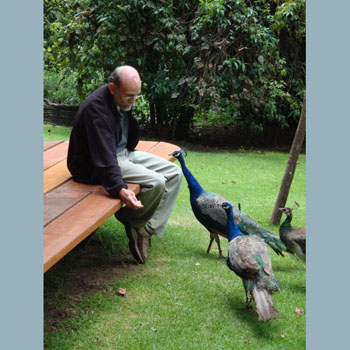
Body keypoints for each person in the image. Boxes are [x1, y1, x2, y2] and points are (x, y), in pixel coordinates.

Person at [67, 65, 183, 264]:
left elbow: (127, 138)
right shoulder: (97, 111)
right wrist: (120, 189)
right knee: (156, 182)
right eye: (129, 95)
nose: (133, 100)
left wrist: (127, 107)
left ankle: (143, 229)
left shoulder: (121, 101)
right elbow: (104, 159)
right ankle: (132, 220)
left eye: (136, 95)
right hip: (95, 165)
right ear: (112, 88)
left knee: (174, 174)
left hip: (124, 153)